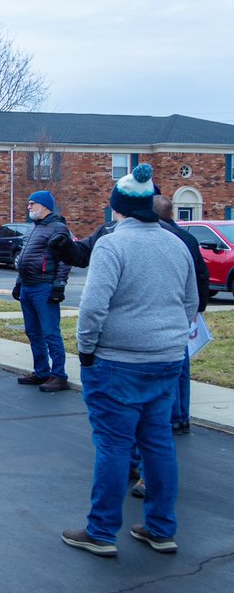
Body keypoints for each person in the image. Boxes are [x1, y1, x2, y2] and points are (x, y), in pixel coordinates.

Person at [62, 164, 198, 557]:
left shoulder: (112, 244)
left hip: (117, 361)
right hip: (168, 358)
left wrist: (86, 350)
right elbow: (191, 302)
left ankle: (102, 532)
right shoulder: (177, 242)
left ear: (117, 208)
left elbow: (92, 308)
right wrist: (168, 337)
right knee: (158, 443)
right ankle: (160, 528)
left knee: (113, 445)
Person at [151, 195, 208, 436]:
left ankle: (172, 417)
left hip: (165, 313)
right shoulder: (189, 238)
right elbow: (201, 274)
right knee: (182, 368)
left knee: (167, 369)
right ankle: (182, 416)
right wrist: (198, 309)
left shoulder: (162, 239)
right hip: (185, 311)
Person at [12, 191, 72, 393]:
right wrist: (19, 283)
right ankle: (41, 371)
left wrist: (59, 285)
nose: (28, 207)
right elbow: (24, 258)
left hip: (44, 287)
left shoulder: (58, 228)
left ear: (45, 206)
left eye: (32, 204)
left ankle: (59, 375)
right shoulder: (34, 229)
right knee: (33, 332)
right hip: (28, 287)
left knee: (50, 333)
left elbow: (65, 259)